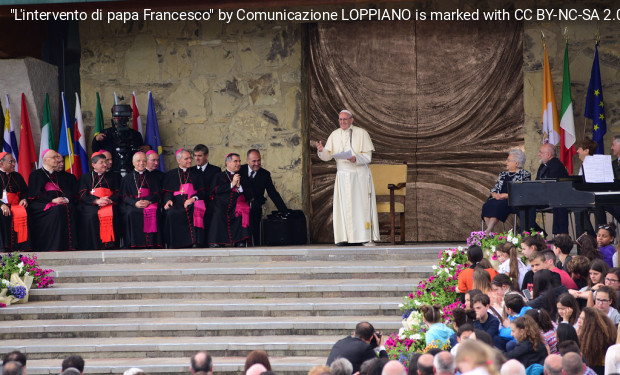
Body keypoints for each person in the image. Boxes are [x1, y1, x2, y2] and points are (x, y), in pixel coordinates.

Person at [316, 109, 379, 245]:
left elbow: (368, 157)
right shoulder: (334, 134)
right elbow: (327, 156)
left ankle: (364, 238)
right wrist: (321, 151)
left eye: (345, 119)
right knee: (344, 208)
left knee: (361, 206)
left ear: (352, 120)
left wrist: (356, 158)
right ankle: (345, 238)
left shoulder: (362, 133)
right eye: (340, 120)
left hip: (359, 175)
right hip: (343, 176)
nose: (342, 122)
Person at [28, 150, 78, 252]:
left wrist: (66, 199)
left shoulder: (60, 175)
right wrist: (52, 200)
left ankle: (69, 246)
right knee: (57, 210)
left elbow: (68, 191)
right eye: (55, 158)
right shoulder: (35, 174)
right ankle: (54, 246)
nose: (58, 160)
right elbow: (35, 193)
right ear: (46, 160)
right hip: (42, 203)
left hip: (60, 202)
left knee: (69, 207)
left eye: (57, 157)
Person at [240, 149, 288, 246]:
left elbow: (272, 193)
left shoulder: (265, 174)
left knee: (255, 211)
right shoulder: (240, 170)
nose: (257, 163)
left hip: (256, 204)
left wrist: (284, 211)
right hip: (241, 204)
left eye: (259, 160)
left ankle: (256, 243)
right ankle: (241, 241)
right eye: (254, 161)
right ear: (247, 161)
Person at [161, 149, 207, 248]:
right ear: (179, 161)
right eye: (186, 159)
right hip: (176, 202)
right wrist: (168, 200)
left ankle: (195, 242)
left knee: (195, 208)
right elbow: (168, 192)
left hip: (192, 202)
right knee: (170, 213)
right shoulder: (171, 174)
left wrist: (194, 198)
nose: (190, 160)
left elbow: (203, 192)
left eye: (190, 158)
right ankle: (174, 243)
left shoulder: (198, 173)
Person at [77, 152, 122, 250]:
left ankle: (111, 245)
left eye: (105, 162)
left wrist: (110, 200)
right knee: (92, 214)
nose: (105, 165)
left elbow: (119, 193)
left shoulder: (114, 176)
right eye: (101, 162)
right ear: (94, 165)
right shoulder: (85, 177)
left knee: (113, 212)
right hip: (92, 204)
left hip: (109, 203)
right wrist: (96, 201)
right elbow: (83, 195)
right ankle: (94, 244)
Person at [481, 149, 531, 235]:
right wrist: (494, 194)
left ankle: (488, 232)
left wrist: (507, 195)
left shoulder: (525, 174)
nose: (506, 162)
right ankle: (489, 232)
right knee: (487, 205)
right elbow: (495, 188)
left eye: (508, 160)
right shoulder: (503, 174)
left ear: (516, 163)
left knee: (497, 206)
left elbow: (522, 192)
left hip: (511, 200)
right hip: (499, 198)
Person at [208, 153, 253, 247]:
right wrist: (231, 184)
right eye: (235, 161)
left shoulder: (243, 177)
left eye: (239, 161)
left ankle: (240, 240)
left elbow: (249, 195)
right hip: (221, 204)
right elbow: (214, 191)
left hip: (236, 204)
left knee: (241, 210)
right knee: (218, 212)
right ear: (227, 163)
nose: (238, 163)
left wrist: (239, 187)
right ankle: (217, 241)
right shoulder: (218, 176)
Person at [120, 151, 162, 248]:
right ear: (133, 163)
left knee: (154, 211)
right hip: (133, 204)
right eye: (138, 161)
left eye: (144, 161)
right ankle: (133, 243)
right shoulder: (127, 178)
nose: (141, 163)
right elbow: (124, 196)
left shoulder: (153, 177)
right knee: (130, 213)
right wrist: (135, 203)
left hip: (149, 203)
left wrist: (148, 201)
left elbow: (157, 193)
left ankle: (152, 243)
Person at [92, 104, 148, 174]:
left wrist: (148, 148)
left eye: (122, 117)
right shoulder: (106, 133)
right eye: (116, 117)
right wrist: (96, 140)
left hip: (129, 170)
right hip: (111, 170)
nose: (119, 119)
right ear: (113, 117)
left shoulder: (135, 134)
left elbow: (140, 152)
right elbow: (95, 151)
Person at [529, 144, 570, 235]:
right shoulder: (543, 165)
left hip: (553, 198)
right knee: (523, 205)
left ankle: (532, 232)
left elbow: (551, 185)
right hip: (543, 196)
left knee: (528, 205)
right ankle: (535, 231)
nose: (539, 154)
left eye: (541, 152)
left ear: (548, 155)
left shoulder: (556, 166)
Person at [0, 152, 30, 252]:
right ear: (1, 164)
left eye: (14, 161)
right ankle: (5, 247)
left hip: (16, 205)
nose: (14, 164)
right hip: (2, 205)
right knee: (3, 213)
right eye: (11, 162)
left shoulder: (17, 176)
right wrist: (2, 205)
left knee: (27, 211)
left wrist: (24, 199)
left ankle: (21, 247)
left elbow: (25, 192)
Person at [578, 307, 617, 375]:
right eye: (579, 318)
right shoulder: (584, 335)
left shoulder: (597, 340)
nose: (579, 321)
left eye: (583, 319)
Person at [575, 137, 599, 236]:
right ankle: (589, 234)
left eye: (579, 149)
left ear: (586, 151)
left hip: (593, 194)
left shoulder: (593, 165)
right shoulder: (583, 165)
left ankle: (590, 234)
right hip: (585, 195)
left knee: (579, 206)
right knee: (578, 205)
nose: (577, 151)